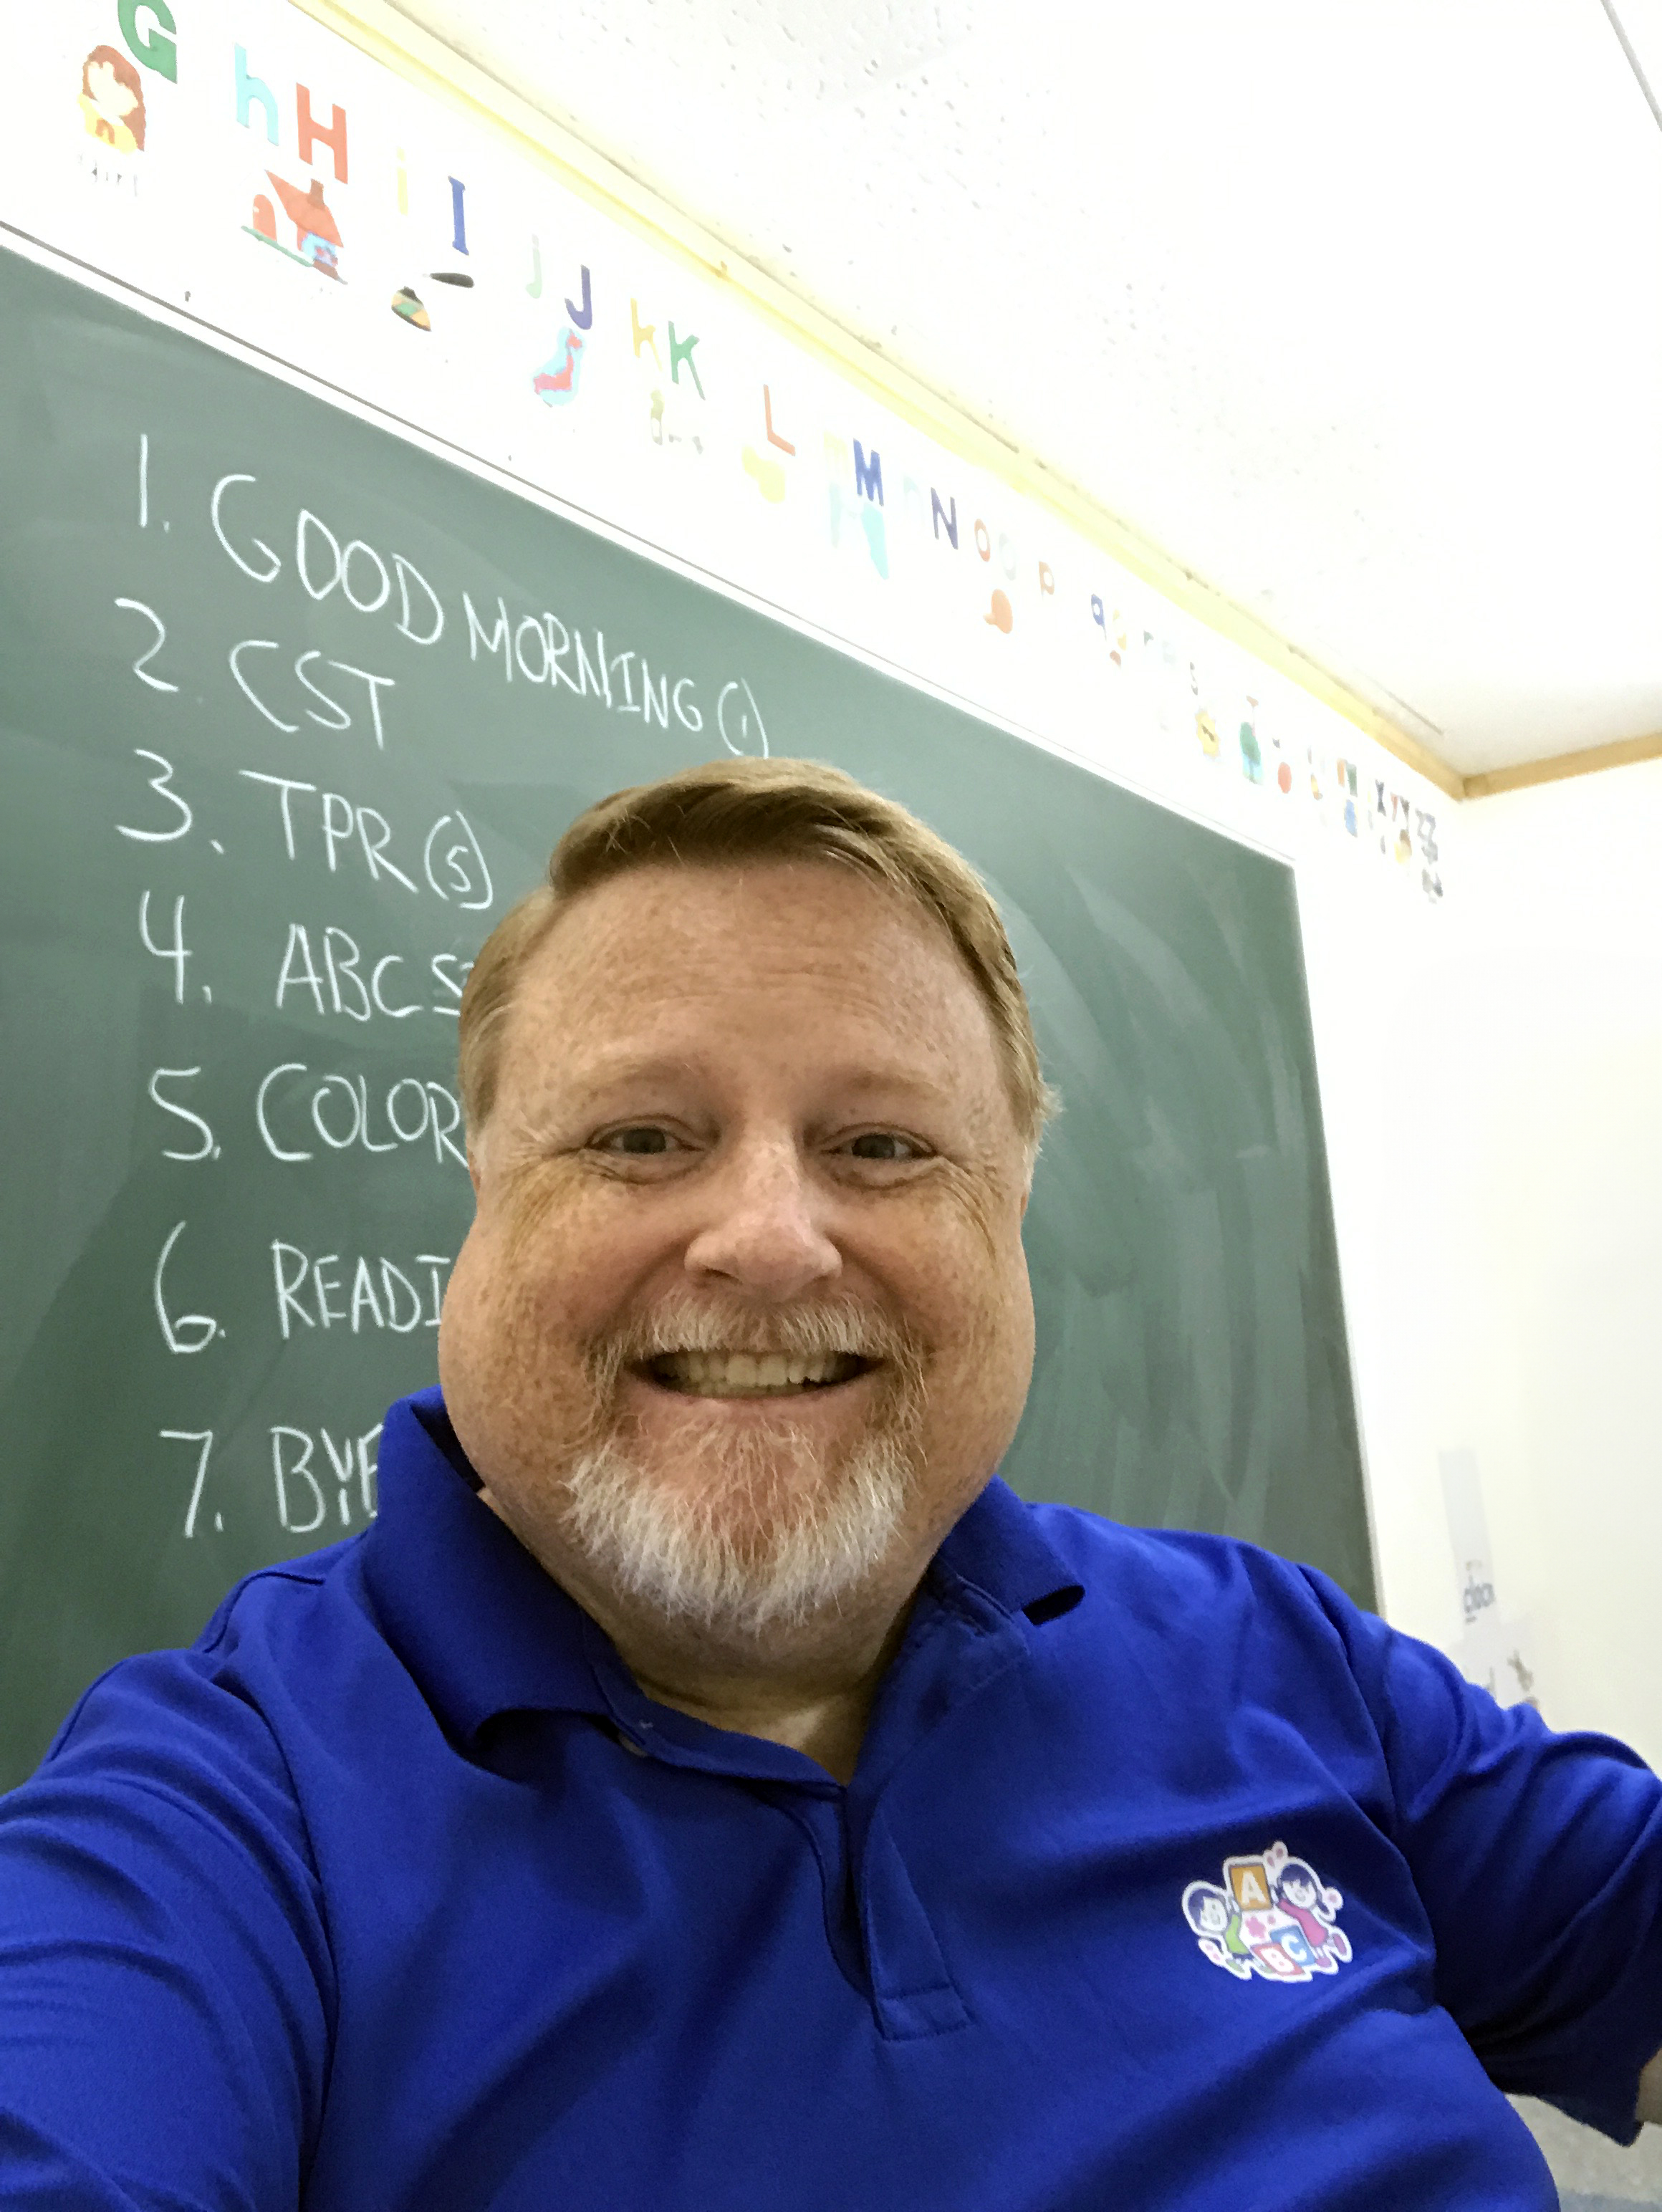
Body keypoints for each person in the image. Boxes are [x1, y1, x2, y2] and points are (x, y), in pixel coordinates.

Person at [1, 756, 1661, 2209]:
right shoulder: (223, 1817)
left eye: (882, 1145)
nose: (770, 1239)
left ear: (1009, 1210)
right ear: (482, 1198)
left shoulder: (1276, 1654)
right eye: (639, 1137)